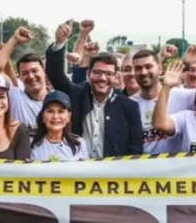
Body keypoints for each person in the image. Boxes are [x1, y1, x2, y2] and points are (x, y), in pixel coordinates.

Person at [46, 22, 142, 158]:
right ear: (88, 74)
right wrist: (59, 43)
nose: (102, 78)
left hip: (113, 176)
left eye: (108, 73)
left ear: (116, 77)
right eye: (97, 72)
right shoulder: (76, 94)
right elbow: (55, 75)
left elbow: (135, 149)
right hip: (76, 173)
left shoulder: (129, 107)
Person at [0, 28, 48, 136]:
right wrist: (14, 40)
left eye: (35, 71)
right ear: (19, 76)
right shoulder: (15, 97)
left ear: (43, 70)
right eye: (24, 73)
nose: (31, 76)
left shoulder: (57, 99)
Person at [30, 91, 89, 161]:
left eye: (61, 111)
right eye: (50, 111)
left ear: (69, 116)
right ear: (43, 116)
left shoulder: (79, 144)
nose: (55, 116)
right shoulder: (32, 144)